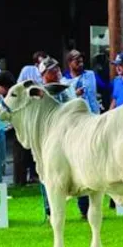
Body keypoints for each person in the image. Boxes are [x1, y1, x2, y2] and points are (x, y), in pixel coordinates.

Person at [38, 57, 88, 219]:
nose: (57, 72)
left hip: (73, 136)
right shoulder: (39, 92)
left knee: (82, 168)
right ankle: (50, 210)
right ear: (44, 74)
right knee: (48, 174)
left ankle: (84, 208)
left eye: (57, 69)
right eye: (52, 70)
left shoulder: (67, 86)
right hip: (50, 140)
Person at [63, 50, 102, 114]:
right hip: (77, 117)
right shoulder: (64, 81)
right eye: (77, 62)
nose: (81, 64)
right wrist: (75, 94)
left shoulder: (90, 75)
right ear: (69, 63)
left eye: (81, 61)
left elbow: (105, 87)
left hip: (94, 116)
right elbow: (63, 101)